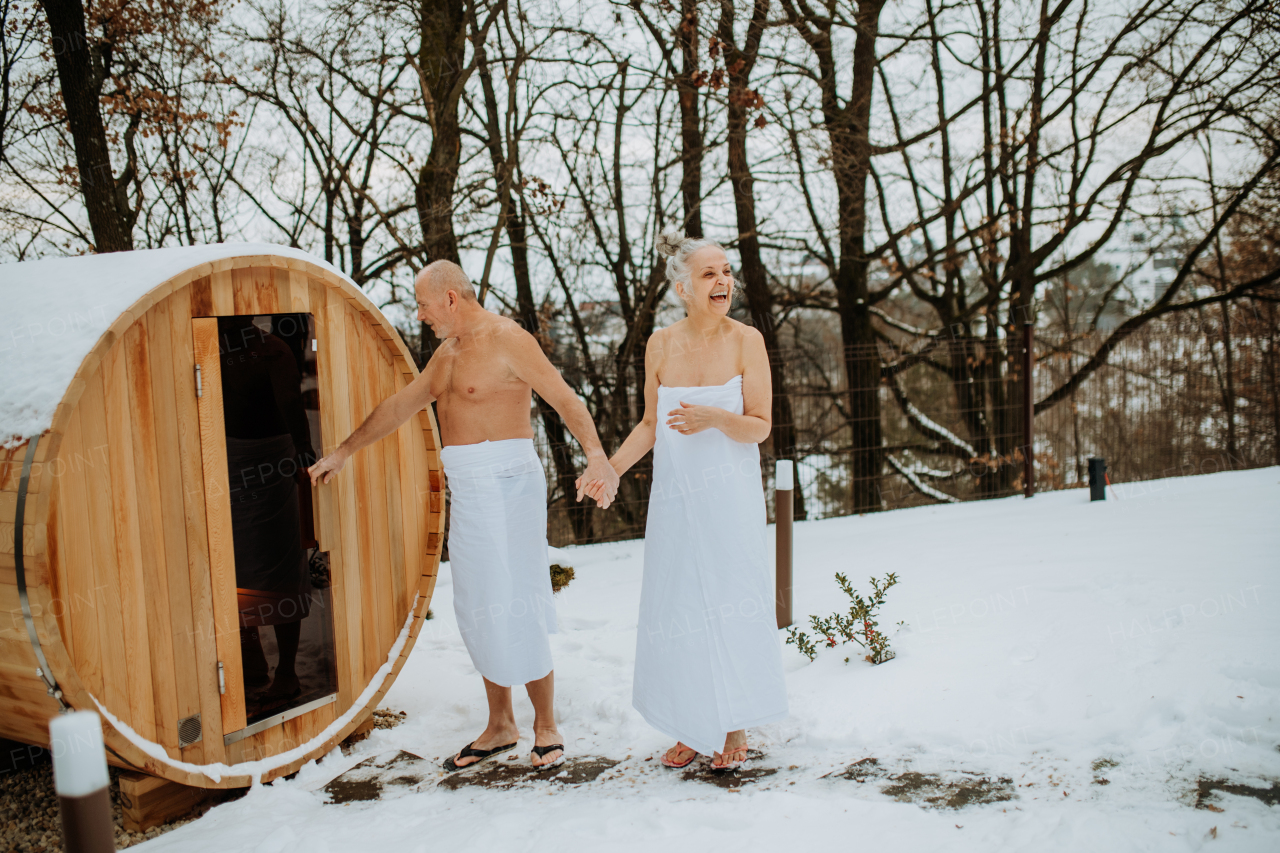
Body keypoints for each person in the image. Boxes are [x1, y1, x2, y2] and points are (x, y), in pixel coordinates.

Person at [308, 261, 619, 771]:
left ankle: (545, 723)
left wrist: (598, 456)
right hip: (469, 489)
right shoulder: (446, 355)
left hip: (510, 483)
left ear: (451, 298)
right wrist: (344, 450)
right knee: (478, 605)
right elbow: (401, 405)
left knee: (518, 597)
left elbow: (564, 397)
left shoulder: (508, 340)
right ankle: (501, 725)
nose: (420, 313)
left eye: (423, 304)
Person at [587, 232, 788, 771]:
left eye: (726, 271)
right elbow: (651, 424)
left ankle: (733, 724)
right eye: (709, 274)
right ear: (683, 287)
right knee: (678, 606)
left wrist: (714, 417)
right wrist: (609, 469)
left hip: (729, 499)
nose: (723, 281)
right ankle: (690, 723)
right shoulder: (660, 344)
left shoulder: (747, 340)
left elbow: (760, 428)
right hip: (676, 499)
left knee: (728, 600)